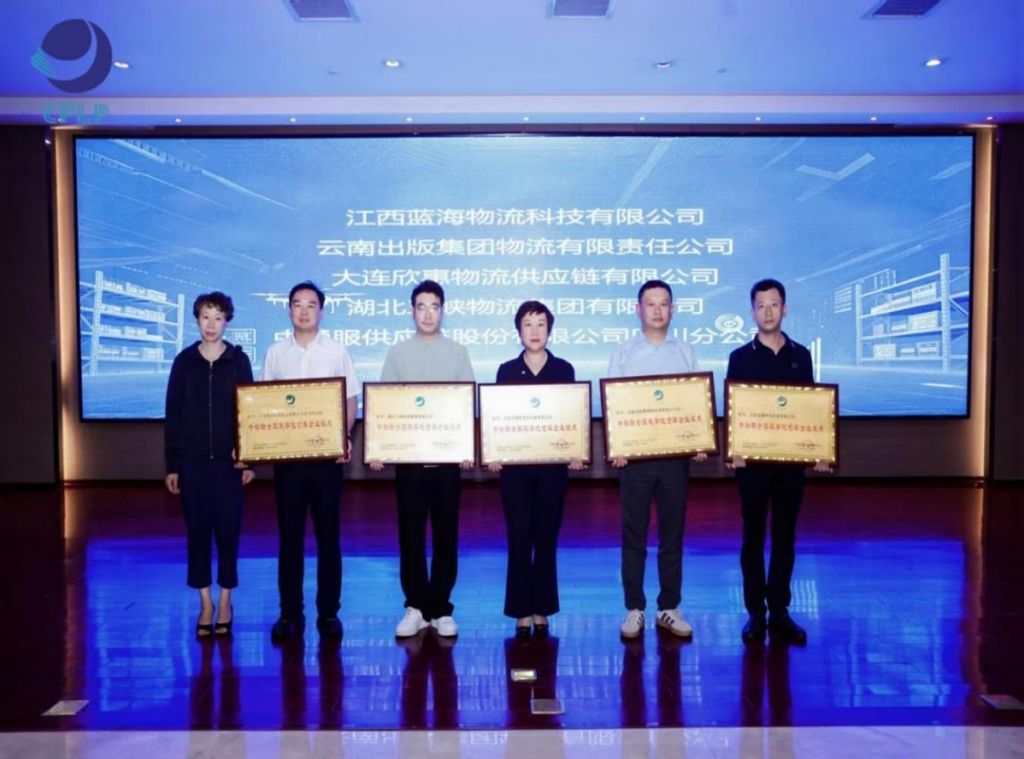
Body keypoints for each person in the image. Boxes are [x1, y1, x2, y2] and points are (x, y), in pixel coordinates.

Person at [726, 278, 830, 645]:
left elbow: (810, 408)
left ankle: (780, 610)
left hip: (790, 466)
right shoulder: (740, 357)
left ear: (785, 309)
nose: (767, 311)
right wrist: (734, 448)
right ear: (752, 311)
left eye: (774, 304)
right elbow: (735, 409)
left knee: (785, 537)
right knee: (752, 537)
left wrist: (819, 449)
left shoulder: (801, 355)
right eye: (761, 305)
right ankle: (756, 612)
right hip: (752, 467)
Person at [370, 280, 475, 639]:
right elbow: (385, 403)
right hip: (410, 463)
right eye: (421, 306)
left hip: (447, 464)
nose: (428, 313)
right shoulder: (398, 353)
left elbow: (466, 403)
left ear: (443, 310)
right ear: (411, 311)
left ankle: (440, 608)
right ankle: (415, 606)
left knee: (446, 534)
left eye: (434, 306)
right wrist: (380, 447)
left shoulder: (457, 352)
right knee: (411, 534)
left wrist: (465, 447)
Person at [260, 281, 360, 642]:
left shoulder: (336, 350)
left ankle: (328, 613)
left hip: (326, 461)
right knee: (289, 538)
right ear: (288, 309)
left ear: (322, 310)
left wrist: (342, 436)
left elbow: (350, 399)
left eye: (311, 304)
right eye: (297, 304)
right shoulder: (275, 353)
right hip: (288, 461)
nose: (304, 311)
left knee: (328, 537)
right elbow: (263, 401)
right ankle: (290, 613)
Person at [607, 279, 707, 640]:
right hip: (635, 461)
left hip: (674, 460)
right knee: (633, 535)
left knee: (672, 535)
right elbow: (614, 403)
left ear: (673, 310)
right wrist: (618, 445)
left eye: (664, 304)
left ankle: (669, 607)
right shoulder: (624, 352)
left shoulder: (685, 351)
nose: (657, 310)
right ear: (638, 310)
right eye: (650, 304)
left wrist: (699, 440)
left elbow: (696, 401)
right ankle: (634, 608)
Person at [488, 301, 584, 638]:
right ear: (518, 331)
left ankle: (542, 607)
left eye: (541, 324)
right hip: (515, 470)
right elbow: (498, 419)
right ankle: (520, 609)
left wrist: (576, 450)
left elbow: (571, 417)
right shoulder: (506, 371)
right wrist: (494, 451)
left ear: (549, 330)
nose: (534, 331)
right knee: (518, 536)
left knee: (546, 537)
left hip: (552, 469)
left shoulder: (563, 369)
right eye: (528, 324)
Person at [164, 291, 255, 639]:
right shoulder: (184, 362)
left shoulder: (238, 361)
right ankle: (205, 602)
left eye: (218, 317)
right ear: (197, 320)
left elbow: (249, 413)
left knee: (229, 532)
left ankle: (226, 600)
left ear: (227, 321)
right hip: (193, 463)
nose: (212, 324)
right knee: (198, 532)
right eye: (205, 316)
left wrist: (249, 459)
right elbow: (173, 414)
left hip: (230, 466)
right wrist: (172, 465)